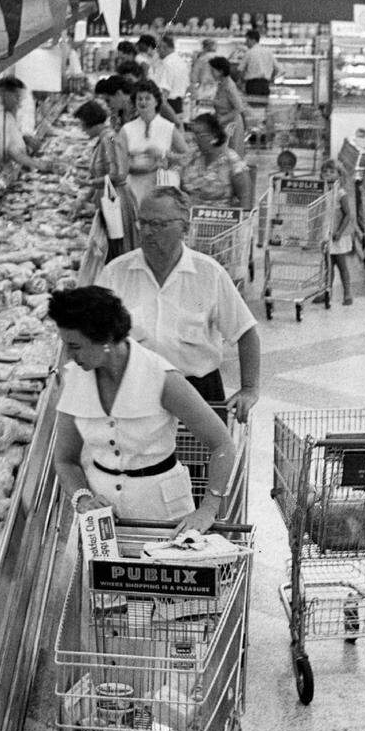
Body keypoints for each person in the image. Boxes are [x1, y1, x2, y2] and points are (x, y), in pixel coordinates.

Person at [50, 285, 236, 533]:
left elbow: (222, 444)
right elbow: (65, 460)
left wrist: (208, 510)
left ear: (104, 339)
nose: (68, 356)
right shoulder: (73, 379)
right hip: (102, 526)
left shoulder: (162, 378)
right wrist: (83, 499)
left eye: (74, 346)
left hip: (165, 517)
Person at [96, 186, 261, 423]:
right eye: (143, 223)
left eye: (159, 224)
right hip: (133, 393)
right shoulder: (115, 274)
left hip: (199, 394)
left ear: (185, 227)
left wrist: (249, 389)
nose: (148, 232)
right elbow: (92, 335)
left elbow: (246, 332)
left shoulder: (209, 273)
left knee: (201, 458)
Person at [114, 79, 189, 209]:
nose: (143, 102)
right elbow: (119, 164)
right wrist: (139, 167)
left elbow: (187, 158)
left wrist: (165, 155)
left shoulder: (168, 127)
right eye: (139, 99)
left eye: (147, 98)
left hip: (162, 190)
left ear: (156, 101)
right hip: (134, 190)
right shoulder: (127, 129)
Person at [74, 99, 132, 261]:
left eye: (82, 124)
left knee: (113, 251)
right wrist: (85, 196)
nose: (81, 129)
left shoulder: (110, 138)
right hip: (108, 199)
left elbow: (118, 174)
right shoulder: (106, 137)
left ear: (90, 122)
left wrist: (88, 183)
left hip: (115, 201)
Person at [181, 113, 254, 210]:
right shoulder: (192, 157)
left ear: (214, 136)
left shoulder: (232, 161)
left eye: (199, 134)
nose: (194, 139)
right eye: (192, 133)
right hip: (189, 217)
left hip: (220, 220)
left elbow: (245, 197)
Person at [0, 76, 40, 170]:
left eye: (20, 97)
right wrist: (41, 165)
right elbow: (13, 152)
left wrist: (26, 138)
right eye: (16, 97)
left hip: (1, 166)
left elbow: (14, 148)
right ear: (4, 94)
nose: (19, 102)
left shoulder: (8, 116)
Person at [322, 159, 354, 305]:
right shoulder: (323, 191)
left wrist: (340, 232)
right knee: (328, 266)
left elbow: (348, 214)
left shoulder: (341, 193)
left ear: (339, 175)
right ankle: (327, 292)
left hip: (338, 236)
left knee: (342, 266)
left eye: (331, 172)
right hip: (326, 235)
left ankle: (347, 293)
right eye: (325, 171)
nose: (327, 174)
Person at [208, 56, 249, 156]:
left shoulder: (229, 86)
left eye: (213, 70)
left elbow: (239, 108)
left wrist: (223, 118)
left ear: (221, 71)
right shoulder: (222, 84)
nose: (211, 73)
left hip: (232, 125)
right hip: (225, 124)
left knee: (231, 156)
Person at [155, 34, 191, 116]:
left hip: (168, 105)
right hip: (179, 104)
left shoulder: (167, 63)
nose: (157, 51)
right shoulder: (181, 62)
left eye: (158, 48)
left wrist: (159, 110)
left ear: (164, 47)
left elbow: (165, 91)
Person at [240, 28, 276, 99]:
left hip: (252, 85)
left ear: (253, 40)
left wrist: (242, 82)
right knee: (263, 106)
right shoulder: (268, 52)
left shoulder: (249, 53)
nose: (246, 43)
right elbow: (278, 69)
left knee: (252, 107)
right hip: (265, 85)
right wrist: (271, 79)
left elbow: (241, 70)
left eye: (247, 40)